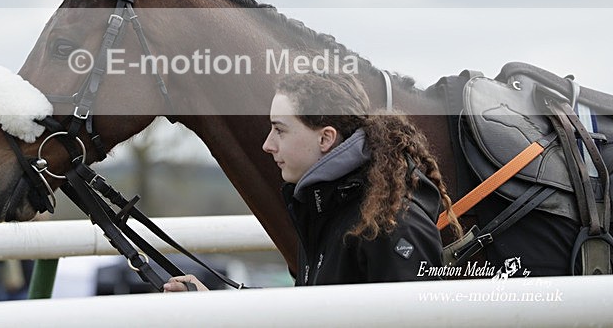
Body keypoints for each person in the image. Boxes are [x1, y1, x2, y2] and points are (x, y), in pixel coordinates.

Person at [165, 72, 461, 291]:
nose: (267, 145)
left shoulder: (390, 223)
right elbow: (308, 313)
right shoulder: (325, 206)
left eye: (279, 130)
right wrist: (214, 305)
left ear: (325, 138)